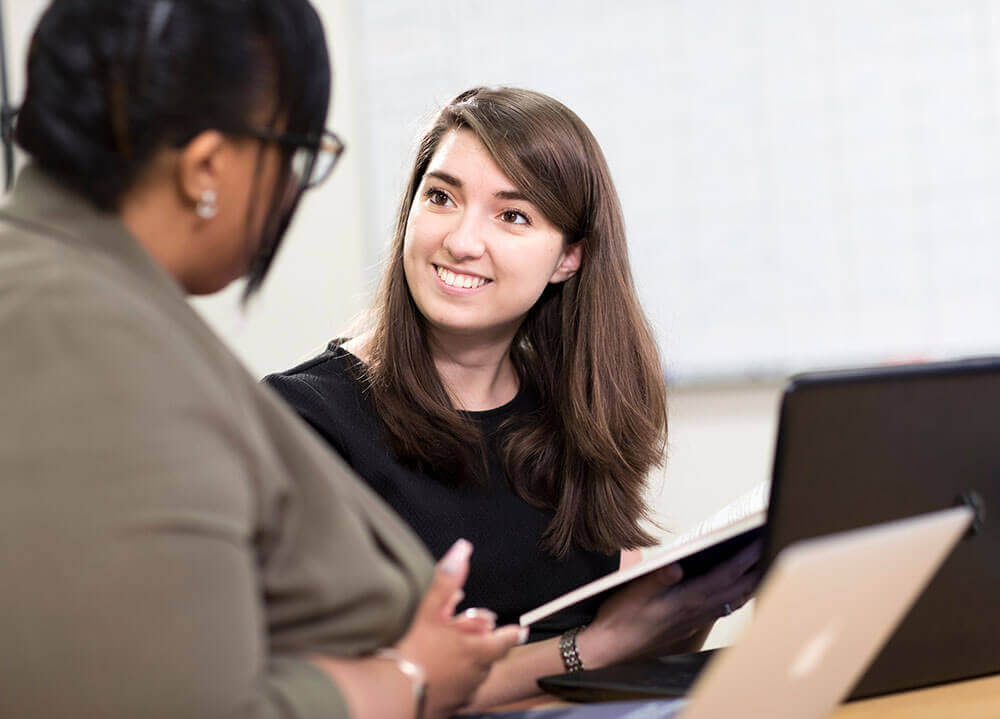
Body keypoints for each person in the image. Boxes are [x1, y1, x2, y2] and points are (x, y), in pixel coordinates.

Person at [0, 3, 525, 719]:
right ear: (207, 168)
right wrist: (409, 675)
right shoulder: (90, 340)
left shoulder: (71, 288)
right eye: (293, 155)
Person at [266, 86, 761, 709]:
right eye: (441, 197)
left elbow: (639, 663)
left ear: (569, 257)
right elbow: (337, 698)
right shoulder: (304, 421)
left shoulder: (576, 412)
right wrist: (594, 647)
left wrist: (694, 605)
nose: (463, 241)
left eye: (513, 215)